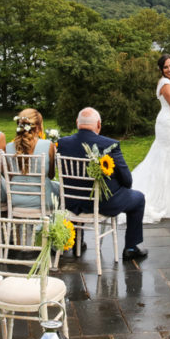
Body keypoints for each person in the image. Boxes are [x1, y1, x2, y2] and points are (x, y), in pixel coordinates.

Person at [57, 107, 147, 260]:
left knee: (80, 192)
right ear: (98, 124)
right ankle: (131, 247)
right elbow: (127, 180)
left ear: (77, 123)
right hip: (104, 203)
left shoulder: (63, 143)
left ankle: (78, 242)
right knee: (138, 198)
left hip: (70, 201)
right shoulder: (109, 145)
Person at [131, 55, 170, 223]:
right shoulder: (165, 84)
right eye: (166, 67)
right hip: (168, 123)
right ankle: (165, 203)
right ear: (161, 70)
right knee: (168, 159)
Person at [5, 108, 60, 214]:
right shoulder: (48, 145)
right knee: (59, 189)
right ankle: (53, 227)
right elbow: (51, 175)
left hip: (15, 199)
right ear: (38, 127)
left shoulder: (9, 147)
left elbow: (11, 177)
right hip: (41, 201)